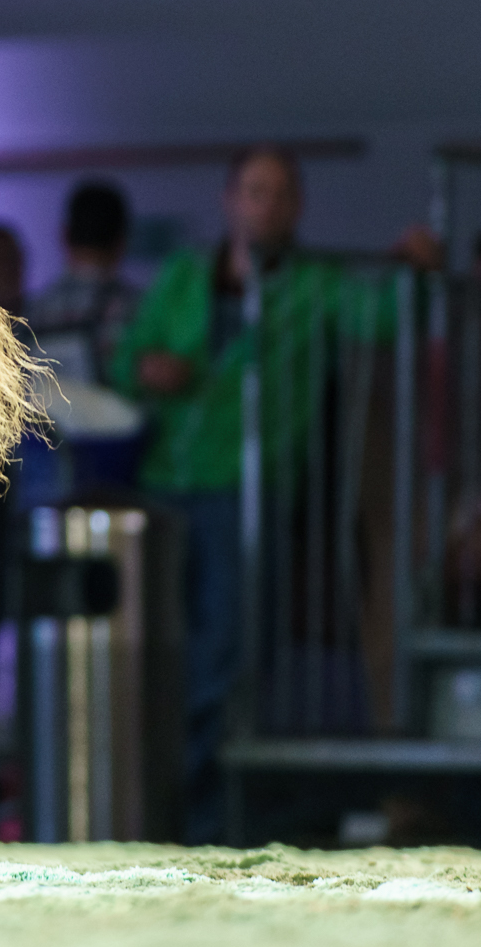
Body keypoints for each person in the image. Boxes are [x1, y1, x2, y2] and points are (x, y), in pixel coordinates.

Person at [111, 145, 356, 842]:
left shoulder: (318, 283)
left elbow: (388, 311)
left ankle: (198, 810)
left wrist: (419, 266)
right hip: (165, 486)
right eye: (254, 190)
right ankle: (162, 803)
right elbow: (128, 359)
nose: (265, 205)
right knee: (162, 649)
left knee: (229, 651)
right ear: (229, 200)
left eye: (279, 193)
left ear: (297, 207)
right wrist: (148, 369)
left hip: (247, 492)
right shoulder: (184, 276)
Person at [26, 180, 140, 391]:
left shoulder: (32, 312)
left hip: (48, 412)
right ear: (122, 241)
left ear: (64, 234)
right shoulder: (139, 309)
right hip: (115, 411)